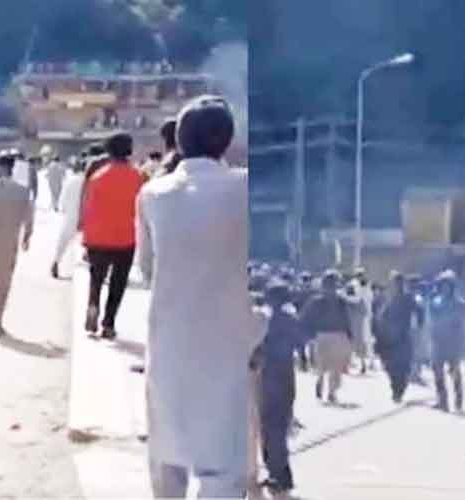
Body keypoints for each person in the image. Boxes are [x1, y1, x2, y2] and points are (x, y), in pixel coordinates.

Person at [138, 96, 263, 498]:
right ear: (226, 141)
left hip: (169, 339)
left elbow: (147, 268)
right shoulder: (245, 188)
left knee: (167, 460)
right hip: (228, 343)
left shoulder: (152, 194)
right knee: (222, 468)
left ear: (178, 140)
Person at [82, 133, 145, 340]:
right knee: (118, 282)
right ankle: (108, 323)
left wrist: (86, 239)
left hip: (98, 237)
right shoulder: (138, 177)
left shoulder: (97, 177)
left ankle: (93, 305)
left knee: (96, 278)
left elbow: (89, 210)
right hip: (125, 237)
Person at [0, 152, 34, 337]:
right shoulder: (23, 191)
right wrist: (27, 236)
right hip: (11, 240)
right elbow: (29, 217)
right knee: (4, 281)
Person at [257, 279, 301, 496]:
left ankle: (278, 475)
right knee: (279, 428)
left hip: (269, 377)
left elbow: (257, 348)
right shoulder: (291, 319)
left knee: (270, 429)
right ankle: (280, 474)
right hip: (286, 376)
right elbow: (301, 342)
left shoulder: (266, 320)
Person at [300, 270, 353, 404]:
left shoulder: (317, 301)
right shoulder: (339, 301)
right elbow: (347, 319)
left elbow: (305, 318)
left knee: (324, 364)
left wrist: (308, 334)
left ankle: (322, 381)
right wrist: (349, 335)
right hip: (335, 335)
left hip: (324, 335)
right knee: (334, 367)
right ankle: (330, 391)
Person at [375, 271, 422, 403]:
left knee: (404, 365)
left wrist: (417, 326)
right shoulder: (387, 298)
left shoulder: (408, 298)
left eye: (399, 283)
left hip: (403, 336)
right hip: (388, 337)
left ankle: (399, 390)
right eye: (395, 283)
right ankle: (395, 388)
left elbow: (419, 312)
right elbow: (380, 315)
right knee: (390, 366)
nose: (397, 286)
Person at [430, 270, 465, 412]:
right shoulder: (436, 302)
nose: (445, 288)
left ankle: (458, 401)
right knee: (437, 371)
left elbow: (462, 326)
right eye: (443, 285)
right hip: (439, 342)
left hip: (453, 342)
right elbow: (432, 322)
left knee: (455, 372)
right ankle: (442, 400)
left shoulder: (459, 303)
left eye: (448, 285)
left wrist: (462, 344)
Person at [51, 158, 86, 279]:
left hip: (71, 216)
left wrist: (64, 210)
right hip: (87, 216)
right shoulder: (91, 180)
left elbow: (63, 200)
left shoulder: (70, 180)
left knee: (63, 240)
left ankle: (56, 261)